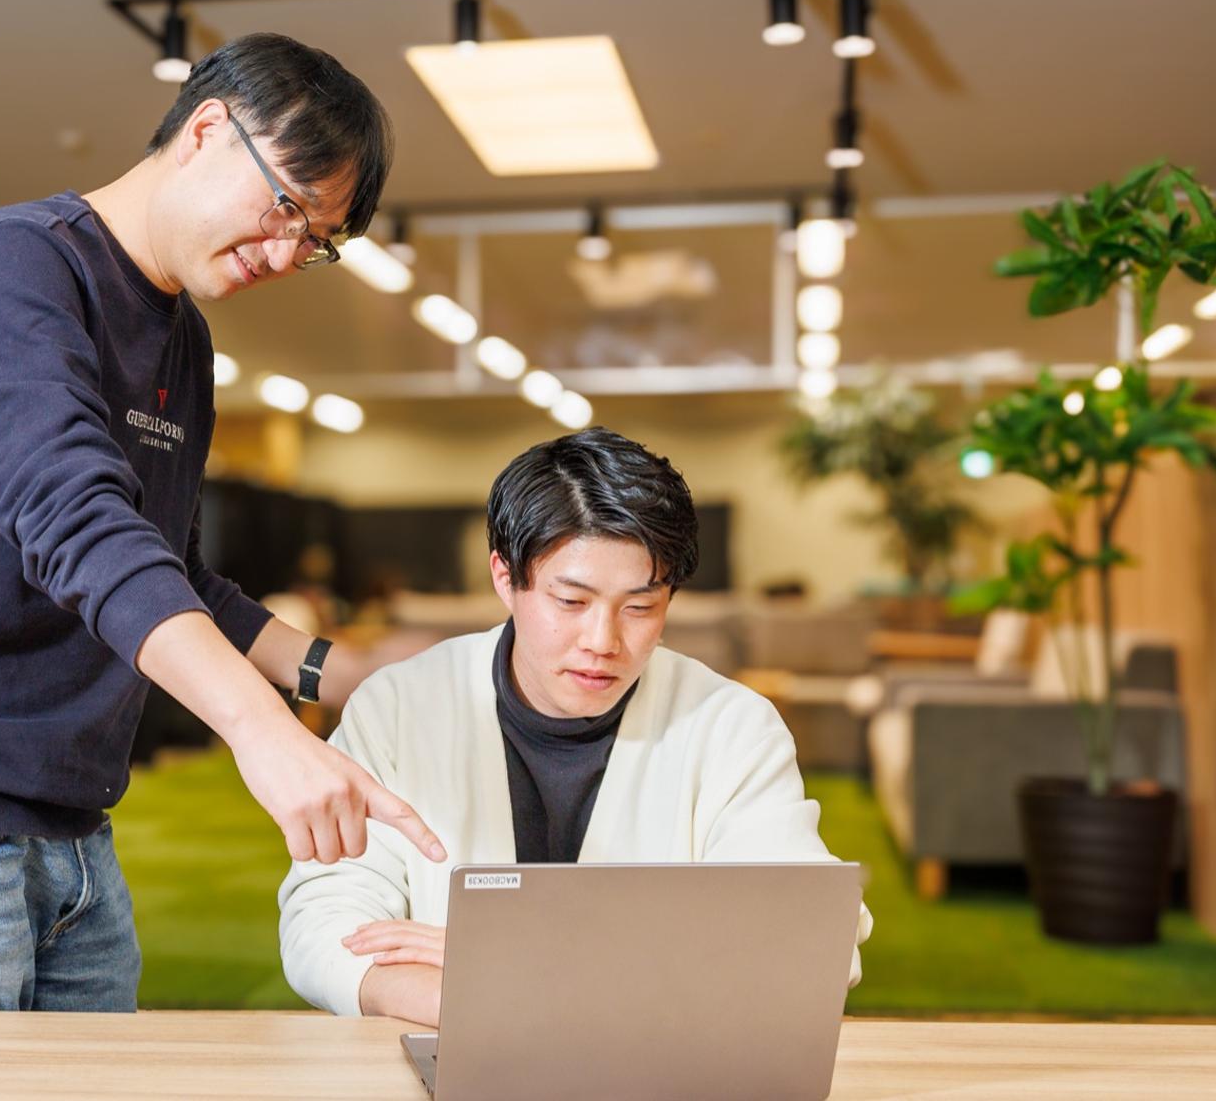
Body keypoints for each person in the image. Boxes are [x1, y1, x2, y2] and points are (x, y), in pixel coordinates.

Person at [0, 32, 445, 1013]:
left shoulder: (183, 340)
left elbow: (171, 567)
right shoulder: (13, 265)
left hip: (70, 818)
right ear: (209, 129)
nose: (283, 253)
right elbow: (78, 523)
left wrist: (334, 670)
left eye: (315, 241)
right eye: (286, 207)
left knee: (98, 1080)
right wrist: (262, 729)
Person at [277, 429, 872, 1026]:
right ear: (505, 577)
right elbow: (325, 921)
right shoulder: (400, 706)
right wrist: (486, 1008)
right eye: (571, 601)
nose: (603, 642)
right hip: (451, 1047)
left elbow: (809, 937)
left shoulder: (731, 727)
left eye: (640, 608)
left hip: (653, 1066)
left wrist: (519, 966)